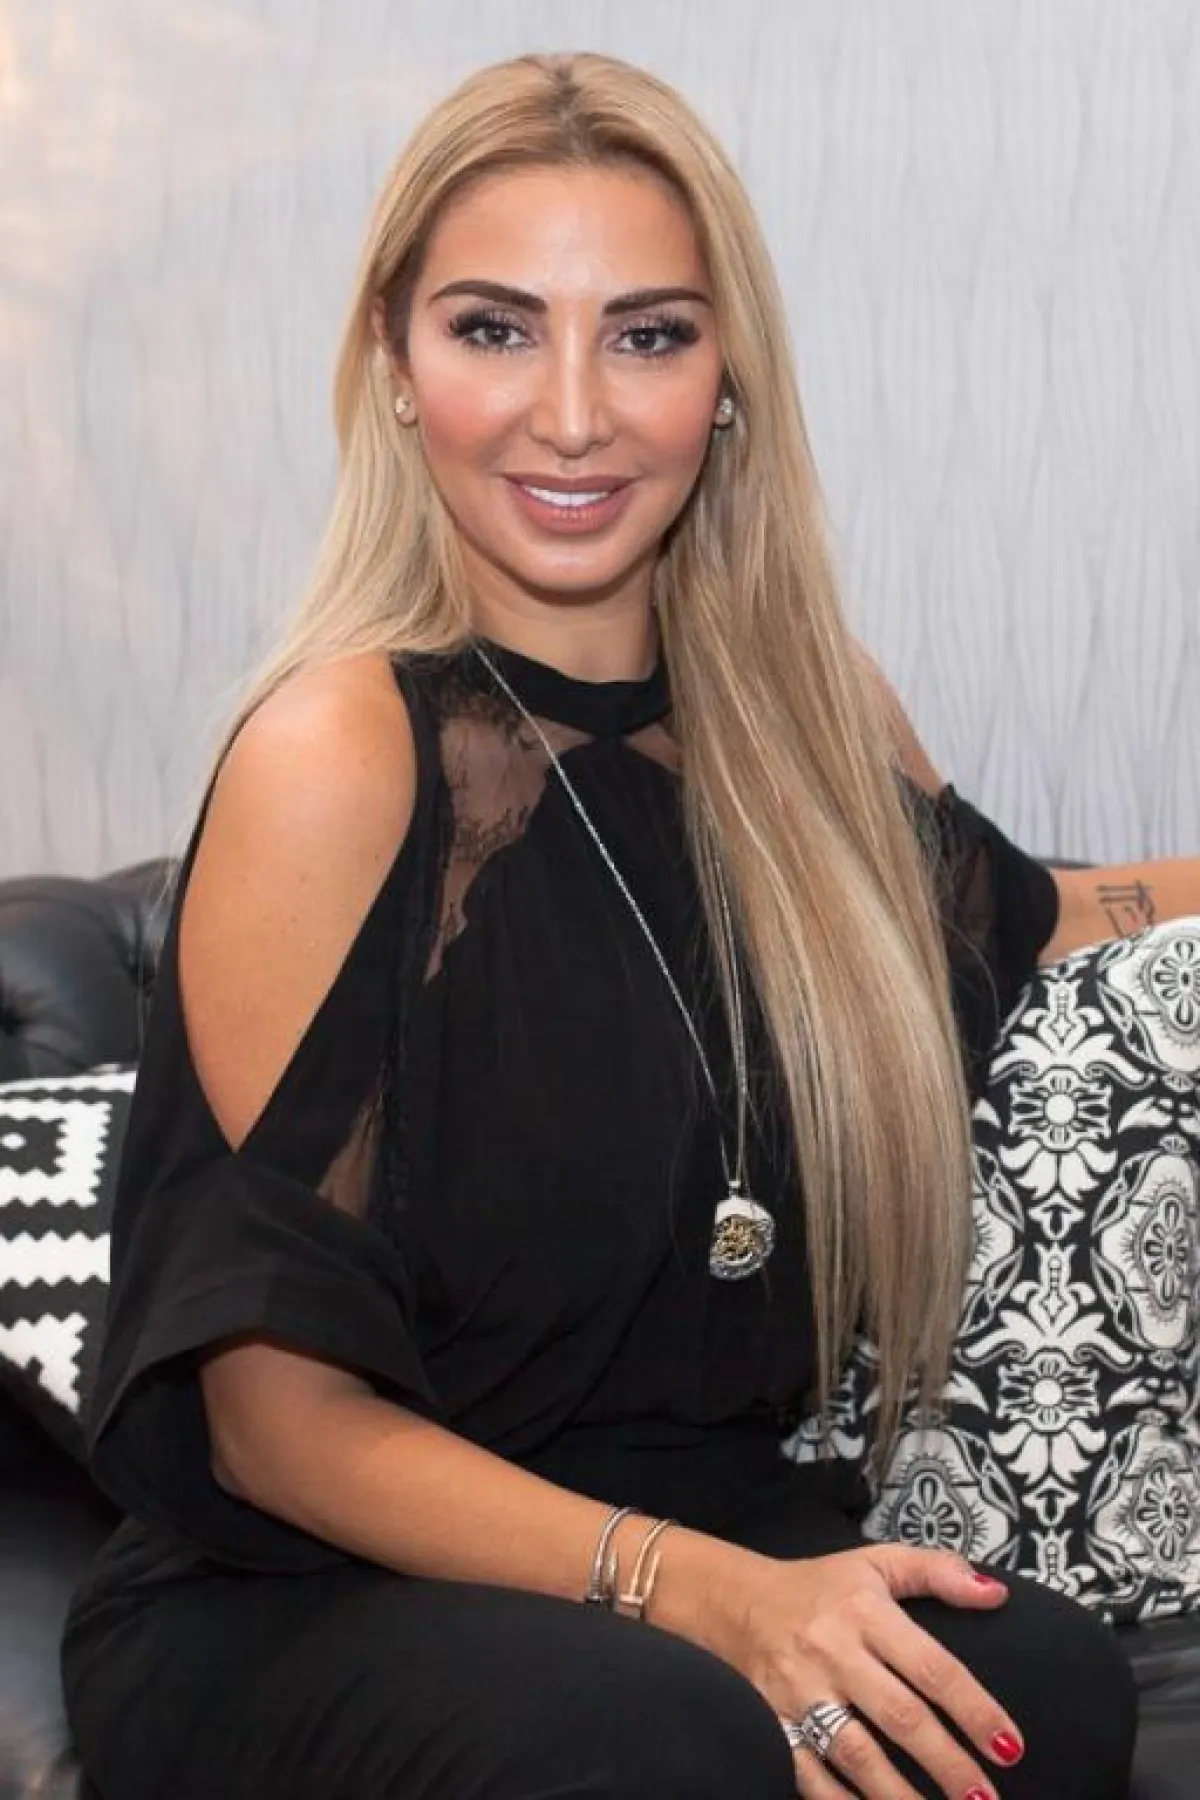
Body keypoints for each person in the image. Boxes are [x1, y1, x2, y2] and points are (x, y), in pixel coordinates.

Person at [61, 51, 1144, 1800]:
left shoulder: (811, 728)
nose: (572, 414)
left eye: (647, 335)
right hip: (317, 1587)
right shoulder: (339, 755)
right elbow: (271, 1422)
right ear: (395, 365)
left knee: (1046, 1692)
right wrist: (704, 1600)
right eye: (495, 328)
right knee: (655, 1736)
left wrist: (736, 1589)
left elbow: (1037, 916)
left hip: (709, 1533)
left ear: (726, 384)